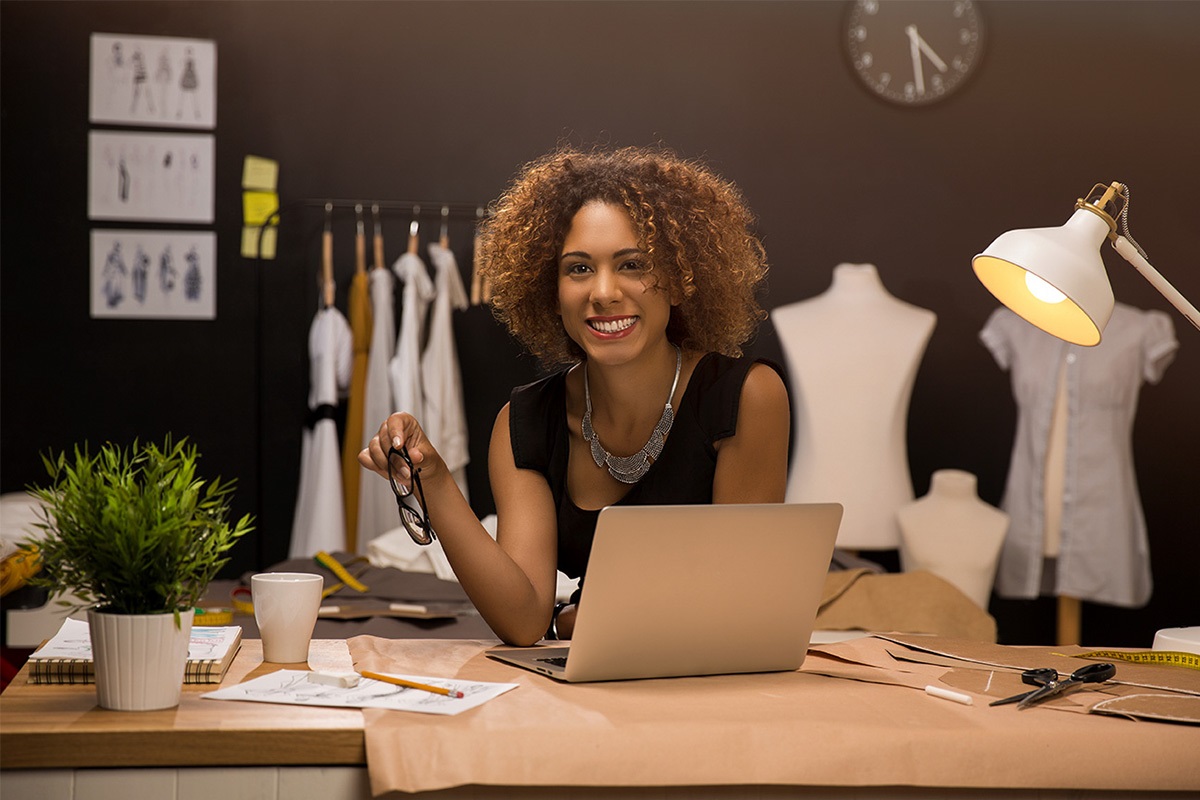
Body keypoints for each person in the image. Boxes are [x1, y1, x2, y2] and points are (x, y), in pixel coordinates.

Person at [359, 145, 790, 645]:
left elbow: (738, 605)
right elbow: (522, 621)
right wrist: (431, 478)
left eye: (632, 264)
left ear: (677, 282)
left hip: (709, 693)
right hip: (588, 697)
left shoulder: (745, 399)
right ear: (551, 290)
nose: (603, 292)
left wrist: (572, 619)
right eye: (579, 269)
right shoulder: (526, 423)